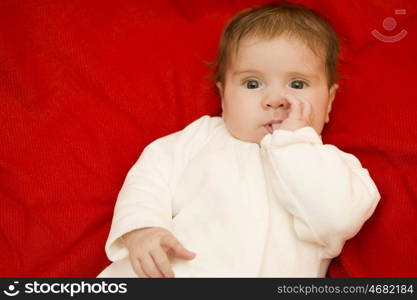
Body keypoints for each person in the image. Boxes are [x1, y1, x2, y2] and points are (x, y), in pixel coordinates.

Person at [97, 1, 380, 278]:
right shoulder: (199, 138)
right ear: (223, 96)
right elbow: (149, 178)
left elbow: (335, 220)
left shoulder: (335, 167)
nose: (274, 100)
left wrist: (295, 144)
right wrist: (142, 229)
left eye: (297, 84)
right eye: (252, 83)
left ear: (329, 102)